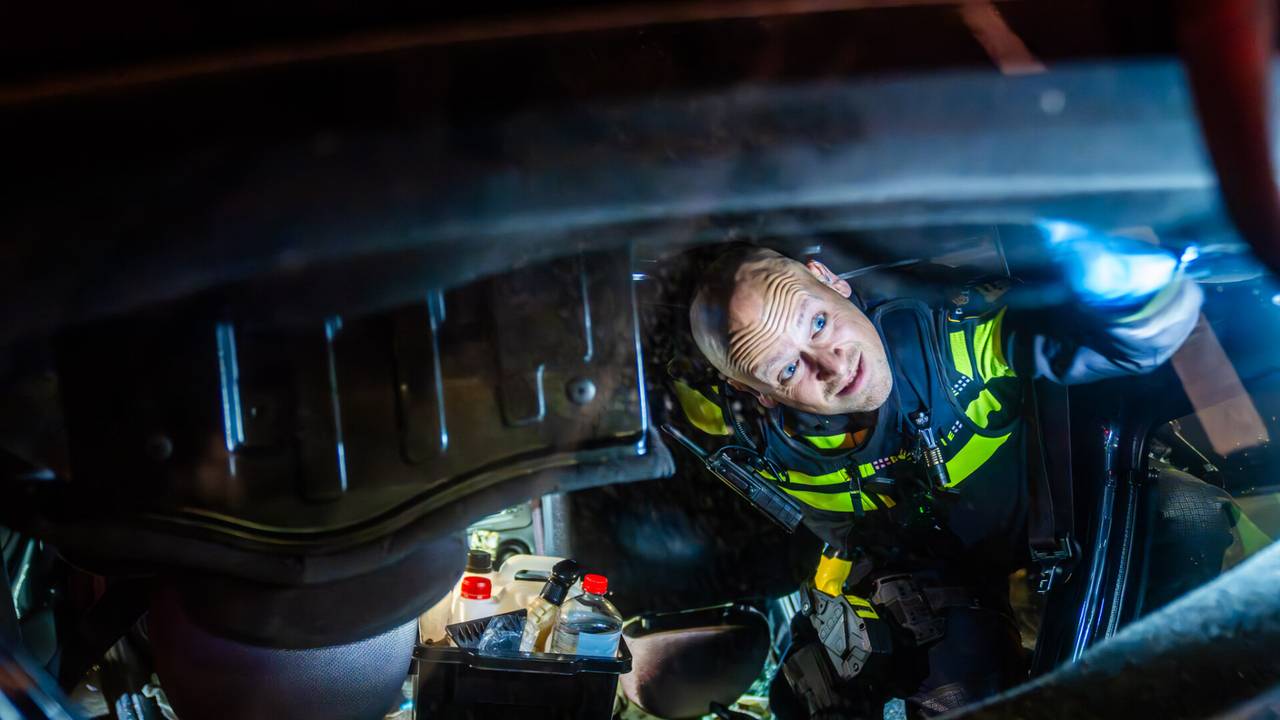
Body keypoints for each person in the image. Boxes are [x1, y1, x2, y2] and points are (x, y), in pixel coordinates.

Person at [674, 225, 1203, 717]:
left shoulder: (957, 336)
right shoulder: (728, 424)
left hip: (1043, 527)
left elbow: (1129, 343)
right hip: (916, 578)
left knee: (1190, 518)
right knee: (952, 697)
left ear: (829, 279)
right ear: (752, 392)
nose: (834, 367)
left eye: (817, 322)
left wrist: (1138, 293)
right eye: (788, 368)